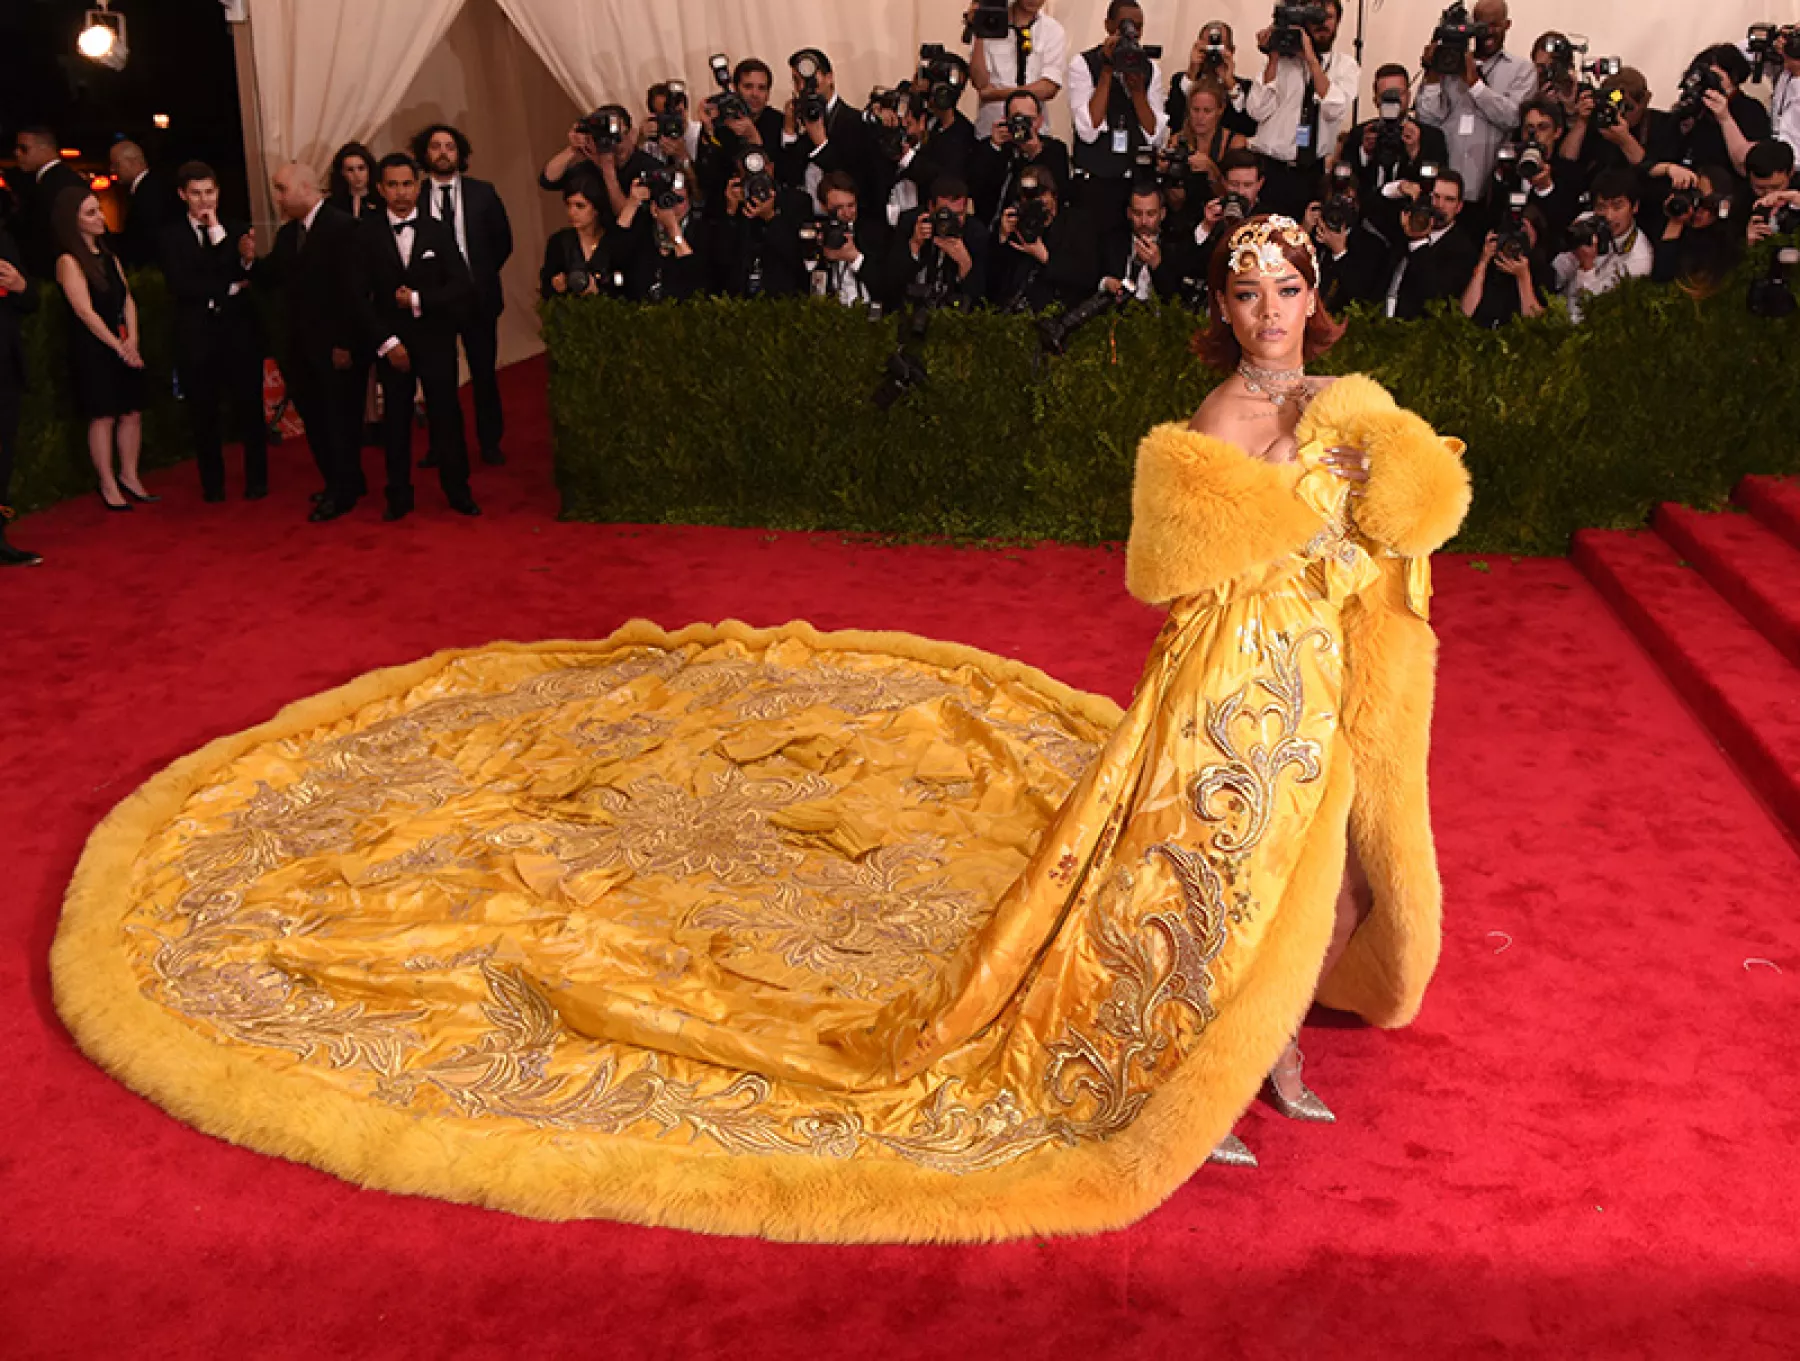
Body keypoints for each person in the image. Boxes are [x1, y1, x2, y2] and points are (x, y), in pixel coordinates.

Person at [1140, 211, 1468, 1161]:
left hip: (1339, 665)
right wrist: (1287, 482)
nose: (1271, 311)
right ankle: (1213, 1081)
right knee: (1243, 872)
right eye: (1248, 293)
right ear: (1221, 307)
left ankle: (1278, 1052)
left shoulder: (1351, 398)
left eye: (1287, 289)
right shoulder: (1218, 419)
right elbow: (1182, 566)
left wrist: (1390, 477)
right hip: (1245, 668)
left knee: (1340, 877)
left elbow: (1423, 521)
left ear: (1314, 298)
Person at [357, 153, 480, 522]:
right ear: (380, 189)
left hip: (436, 339)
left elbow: (462, 284)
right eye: (392, 185)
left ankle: (458, 490)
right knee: (395, 421)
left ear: (418, 185)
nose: (400, 193)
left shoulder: (437, 229)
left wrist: (419, 299)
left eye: (407, 184)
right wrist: (387, 343)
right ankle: (398, 495)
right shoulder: (366, 234)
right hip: (391, 343)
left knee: (447, 415)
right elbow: (357, 296)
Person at [259, 162, 369, 522]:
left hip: (336, 348)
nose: (277, 198)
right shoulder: (289, 235)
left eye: (281, 189)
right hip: (300, 348)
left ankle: (344, 490)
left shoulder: (344, 229)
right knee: (317, 421)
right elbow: (271, 275)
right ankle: (338, 481)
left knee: (340, 420)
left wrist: (345, 343)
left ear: (306, 188)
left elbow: (353, 293)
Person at [161, 161, 268, 503]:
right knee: (203, 413)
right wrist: (227, 285)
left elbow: (250, 275)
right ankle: (213, 485)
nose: (204, 201)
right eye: (196, 194)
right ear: (183, 195)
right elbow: (182, 284)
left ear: (218, 192)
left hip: (239, 333)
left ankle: (257, 480)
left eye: (209, 192)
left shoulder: (237, 230)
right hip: (196, 336)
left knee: (249, 410)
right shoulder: (171, 236)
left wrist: (219, 236)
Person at [413, 124, 512, 469]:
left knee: (484, 375)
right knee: (439, 379)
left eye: (450, 146)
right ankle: (441, 445)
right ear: (425, 154)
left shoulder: (483, 193)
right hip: (433, 303)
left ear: (460, 154)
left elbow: (503, 242)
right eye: (436, 146)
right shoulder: (415, 197)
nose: (443, 152)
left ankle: (489, 443)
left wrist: (476, 278)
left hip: (478, 299)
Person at [52, 191, 146, 512]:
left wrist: (132, 339)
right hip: (93, 348)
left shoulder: (110, 257)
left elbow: (127, 299)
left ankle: (130, 475)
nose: (100, 218)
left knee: (132, 410)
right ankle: (107, 483)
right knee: (103, 415)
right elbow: (84, 310)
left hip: (121, 343)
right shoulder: (68, 261)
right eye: (91, 213)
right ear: (73, 221)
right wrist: (117, 345)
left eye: (99, 211)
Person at [1416, 0, 1537, 213]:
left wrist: (1475, 85)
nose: (1487, 32)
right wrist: (1433, 73)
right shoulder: (1449, 64)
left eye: (1494, 25)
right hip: (1444, 194)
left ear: (1507, 24)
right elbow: (1427, 118)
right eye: (1481, 26)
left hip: (1489, 192)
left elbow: (1513, 118)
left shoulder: (1522, 69)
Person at [1067, 2, 1169, 228]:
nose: (1132, 33)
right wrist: (1106, 70)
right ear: (1108, 25)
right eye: (1125, 26)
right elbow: (1088, 130)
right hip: (1095, 183)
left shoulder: (1150, 69)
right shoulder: (1083, 64)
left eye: (1138, 27)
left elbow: (1154, 134)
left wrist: (1138, 92)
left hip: (1135, 182)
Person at [1547, 166, 1653, 323]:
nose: (1609, 216)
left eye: (1617, 206)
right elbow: (1555, 279)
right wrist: (1573, 249)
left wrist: (1587, 267)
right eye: (1602, 207)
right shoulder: (1587, 222)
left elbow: (1596, 311)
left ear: (1635, 207)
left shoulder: (1639, 258)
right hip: (1557, 315)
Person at [776, 49, 875, 206]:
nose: (803, 86)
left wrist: (821, 143)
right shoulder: (797, 118)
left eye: (810, 79)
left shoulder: (855, 121)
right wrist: (789, 132)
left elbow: (855, 178)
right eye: (796, 80)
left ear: (829, 77)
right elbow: (787, 177)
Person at [988, 165, 1095, 311]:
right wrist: (1003, 237)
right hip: (1015, 310)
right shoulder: (1017, 223)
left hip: (1057, 310)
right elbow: (994, 279)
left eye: (1040, 194)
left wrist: (1045, 257)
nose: (1036, 201)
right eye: (1029, 196)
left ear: (1053, 194)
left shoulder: (1077, 223)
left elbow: (1087, 275)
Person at [1381, 168, 1479, 319]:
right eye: (1436, 196)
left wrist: (1419, 241)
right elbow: (1372, 206)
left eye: (1449, 199)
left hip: (1419, 332)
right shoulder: (1407, 225)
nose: (1440, 205)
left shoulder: (1463, 249)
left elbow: (1435, 297)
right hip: (1380, 321)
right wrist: (1400, 187)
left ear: (1459, 207)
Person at [966, 0, 1070, 140]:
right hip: (991, 131)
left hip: (1035, 134)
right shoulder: (990, 21)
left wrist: (995, 93)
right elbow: (980, 83)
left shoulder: (1052, 30)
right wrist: (979, 28)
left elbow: (1048, 88)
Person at [970, 89, 1072, 230]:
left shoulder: (1054, 150)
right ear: (1006, 120)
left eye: (1028, 120)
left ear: (1040, 122)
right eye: (1017, 118)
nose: (1022, 125)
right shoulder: (992, 148)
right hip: (997, 228)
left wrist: (1035, 153)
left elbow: (1061, 194)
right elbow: (978, 192)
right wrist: (994, 148)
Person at [1343, 64, 1449, 199]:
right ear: (1375, 100)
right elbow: (1348, 183)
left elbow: (1438, 188)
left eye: (1398, 93)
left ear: (1409, 96)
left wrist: (1415, 153)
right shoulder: (1360, 134)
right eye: (1386, 95)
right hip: (1369, 212)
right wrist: (1365, 153)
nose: (1393, 100)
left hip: (1410, 213)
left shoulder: (1432, 137)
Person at [885, 176, 990, 307]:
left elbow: (980, 300)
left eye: (958, 215)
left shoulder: (976, 233)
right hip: (913, 307)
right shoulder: (911, 223)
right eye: (944, 214)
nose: (950, 222)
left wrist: (965, 264)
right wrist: (914, 246)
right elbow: (891, 284)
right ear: (930, 207)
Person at [0, 220, 40, 564]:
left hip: (5, 368)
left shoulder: (4, 238)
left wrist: (20, 285)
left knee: (3, 458)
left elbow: (31, 299)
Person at [615, 166, 710, 302]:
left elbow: (696, 280)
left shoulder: (702, 231)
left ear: (689, 202)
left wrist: (673, 230)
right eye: (667, 198)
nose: (673, 206)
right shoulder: (643, 225)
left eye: (679, 200)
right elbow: (615, 253)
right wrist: (632, 203)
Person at [11, 127, 88, 278]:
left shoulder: (58, 183)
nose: (17, 153)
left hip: (56, 273)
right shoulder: (50, 180)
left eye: (24, 148)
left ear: (45, 149)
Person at [1166, 19, 1256, 142]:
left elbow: (1248, 129)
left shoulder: (1246, 88)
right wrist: (1192, 73)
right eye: (1208, 47)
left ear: (1232, 50)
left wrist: (1231, 85)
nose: (1213, 53)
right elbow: (1175, 122)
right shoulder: (1180, 81)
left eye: (1219, 48)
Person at [810, 171, 889, 306]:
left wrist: (856, 258)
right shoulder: (818, 232)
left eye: (851, 205)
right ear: (824, 206)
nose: (847, 213)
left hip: (868, 313)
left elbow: (888, 286)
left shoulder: (875, 231)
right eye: (838, 208)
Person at [1460, 206, 1549, 326]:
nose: (1516, 240)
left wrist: (1523, 278)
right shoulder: (1489, 267)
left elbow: (1537, 325)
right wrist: (1483, 261)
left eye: (1523, 234)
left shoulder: (1544, 272)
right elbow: (1465, 312)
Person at [541, 173, 622, 301]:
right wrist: (556, 286)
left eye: (580, 206)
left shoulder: (613, 241)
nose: (572, 212)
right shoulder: (559, 242)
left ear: (596, 209)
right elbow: (546, 289)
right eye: (568, 205)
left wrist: (599, 291)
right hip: (570, 315)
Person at [1097, 181, 1185, 300]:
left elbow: (1177, 298)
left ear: (1162, 214)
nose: (1144, 221)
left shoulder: (1176, 245)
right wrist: (1106, 282)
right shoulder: (1112, 242)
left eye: (1151, 214)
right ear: (1129, 213)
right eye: (1137, 213)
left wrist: (1157, 266)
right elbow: (1091, 279)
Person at [109, 141, 179, 270]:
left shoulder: (150, 192)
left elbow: (146, 236)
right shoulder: (152, 186)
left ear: (133, 162)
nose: (112, 170)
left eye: (116, 164)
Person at [327, 142, 384, 221]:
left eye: (361, 168)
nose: (356, 175)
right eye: (350, 170)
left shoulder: (382, 200)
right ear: (342, 172)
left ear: (369, 169)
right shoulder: (333, 204)